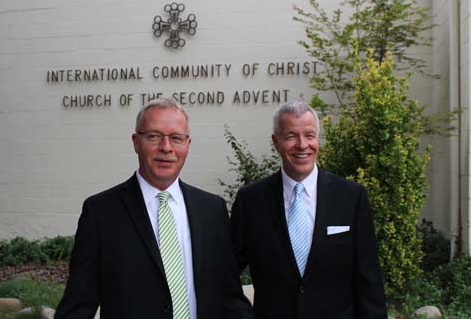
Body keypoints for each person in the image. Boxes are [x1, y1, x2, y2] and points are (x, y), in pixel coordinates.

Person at [56, 98, 253, 319]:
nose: (166, 147)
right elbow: (78, 306)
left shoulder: (212, 210)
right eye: (154, 136)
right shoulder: (101, 213)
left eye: (176, 138)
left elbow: (230, 296)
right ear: (135, 142)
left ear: (187, 144)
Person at [230, 101, 387, 319]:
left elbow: (369, 282)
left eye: (310, 135)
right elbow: (226, 274)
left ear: (318, 140)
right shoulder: (251, 201)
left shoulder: (351, 197)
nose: (302, 145)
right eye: (291, 136)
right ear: (276, 142)